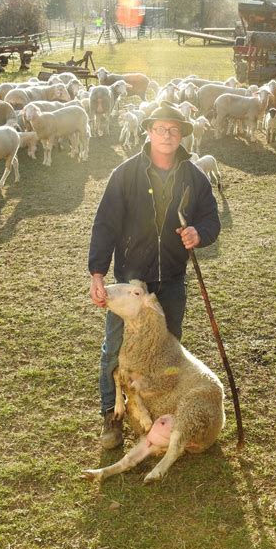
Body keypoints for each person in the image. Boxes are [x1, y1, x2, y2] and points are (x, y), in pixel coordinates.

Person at [88, 101, 221, 449]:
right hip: (132, 282)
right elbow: (104, 225)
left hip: (172, 280)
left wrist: (199, 234)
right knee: (115, 348)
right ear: (148, 132)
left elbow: (211, 219)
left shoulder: (194, 176)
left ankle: (161, 417)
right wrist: (97, 272)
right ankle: (112, 416)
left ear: (181, 136)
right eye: (160, 129)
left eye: (173, 130)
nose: (166, 135)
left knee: (166, 353)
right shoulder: (126, 174)